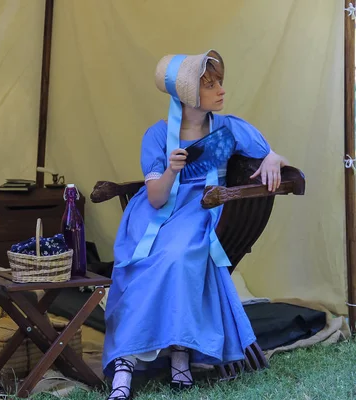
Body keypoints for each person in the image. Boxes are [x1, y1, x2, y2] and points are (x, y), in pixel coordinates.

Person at [102, 49, 288, 398]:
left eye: (219, 82)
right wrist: (172, 169)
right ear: (188, 94)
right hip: (156, 212)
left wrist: (274, 160)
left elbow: (271, 152)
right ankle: (127, 361)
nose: (221, 90)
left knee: (177, 256)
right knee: (141, 261)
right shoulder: (158, 136)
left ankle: (180, 352)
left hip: (200, 208)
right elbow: (156, 198)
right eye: (210, 84)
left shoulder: (229, 128)